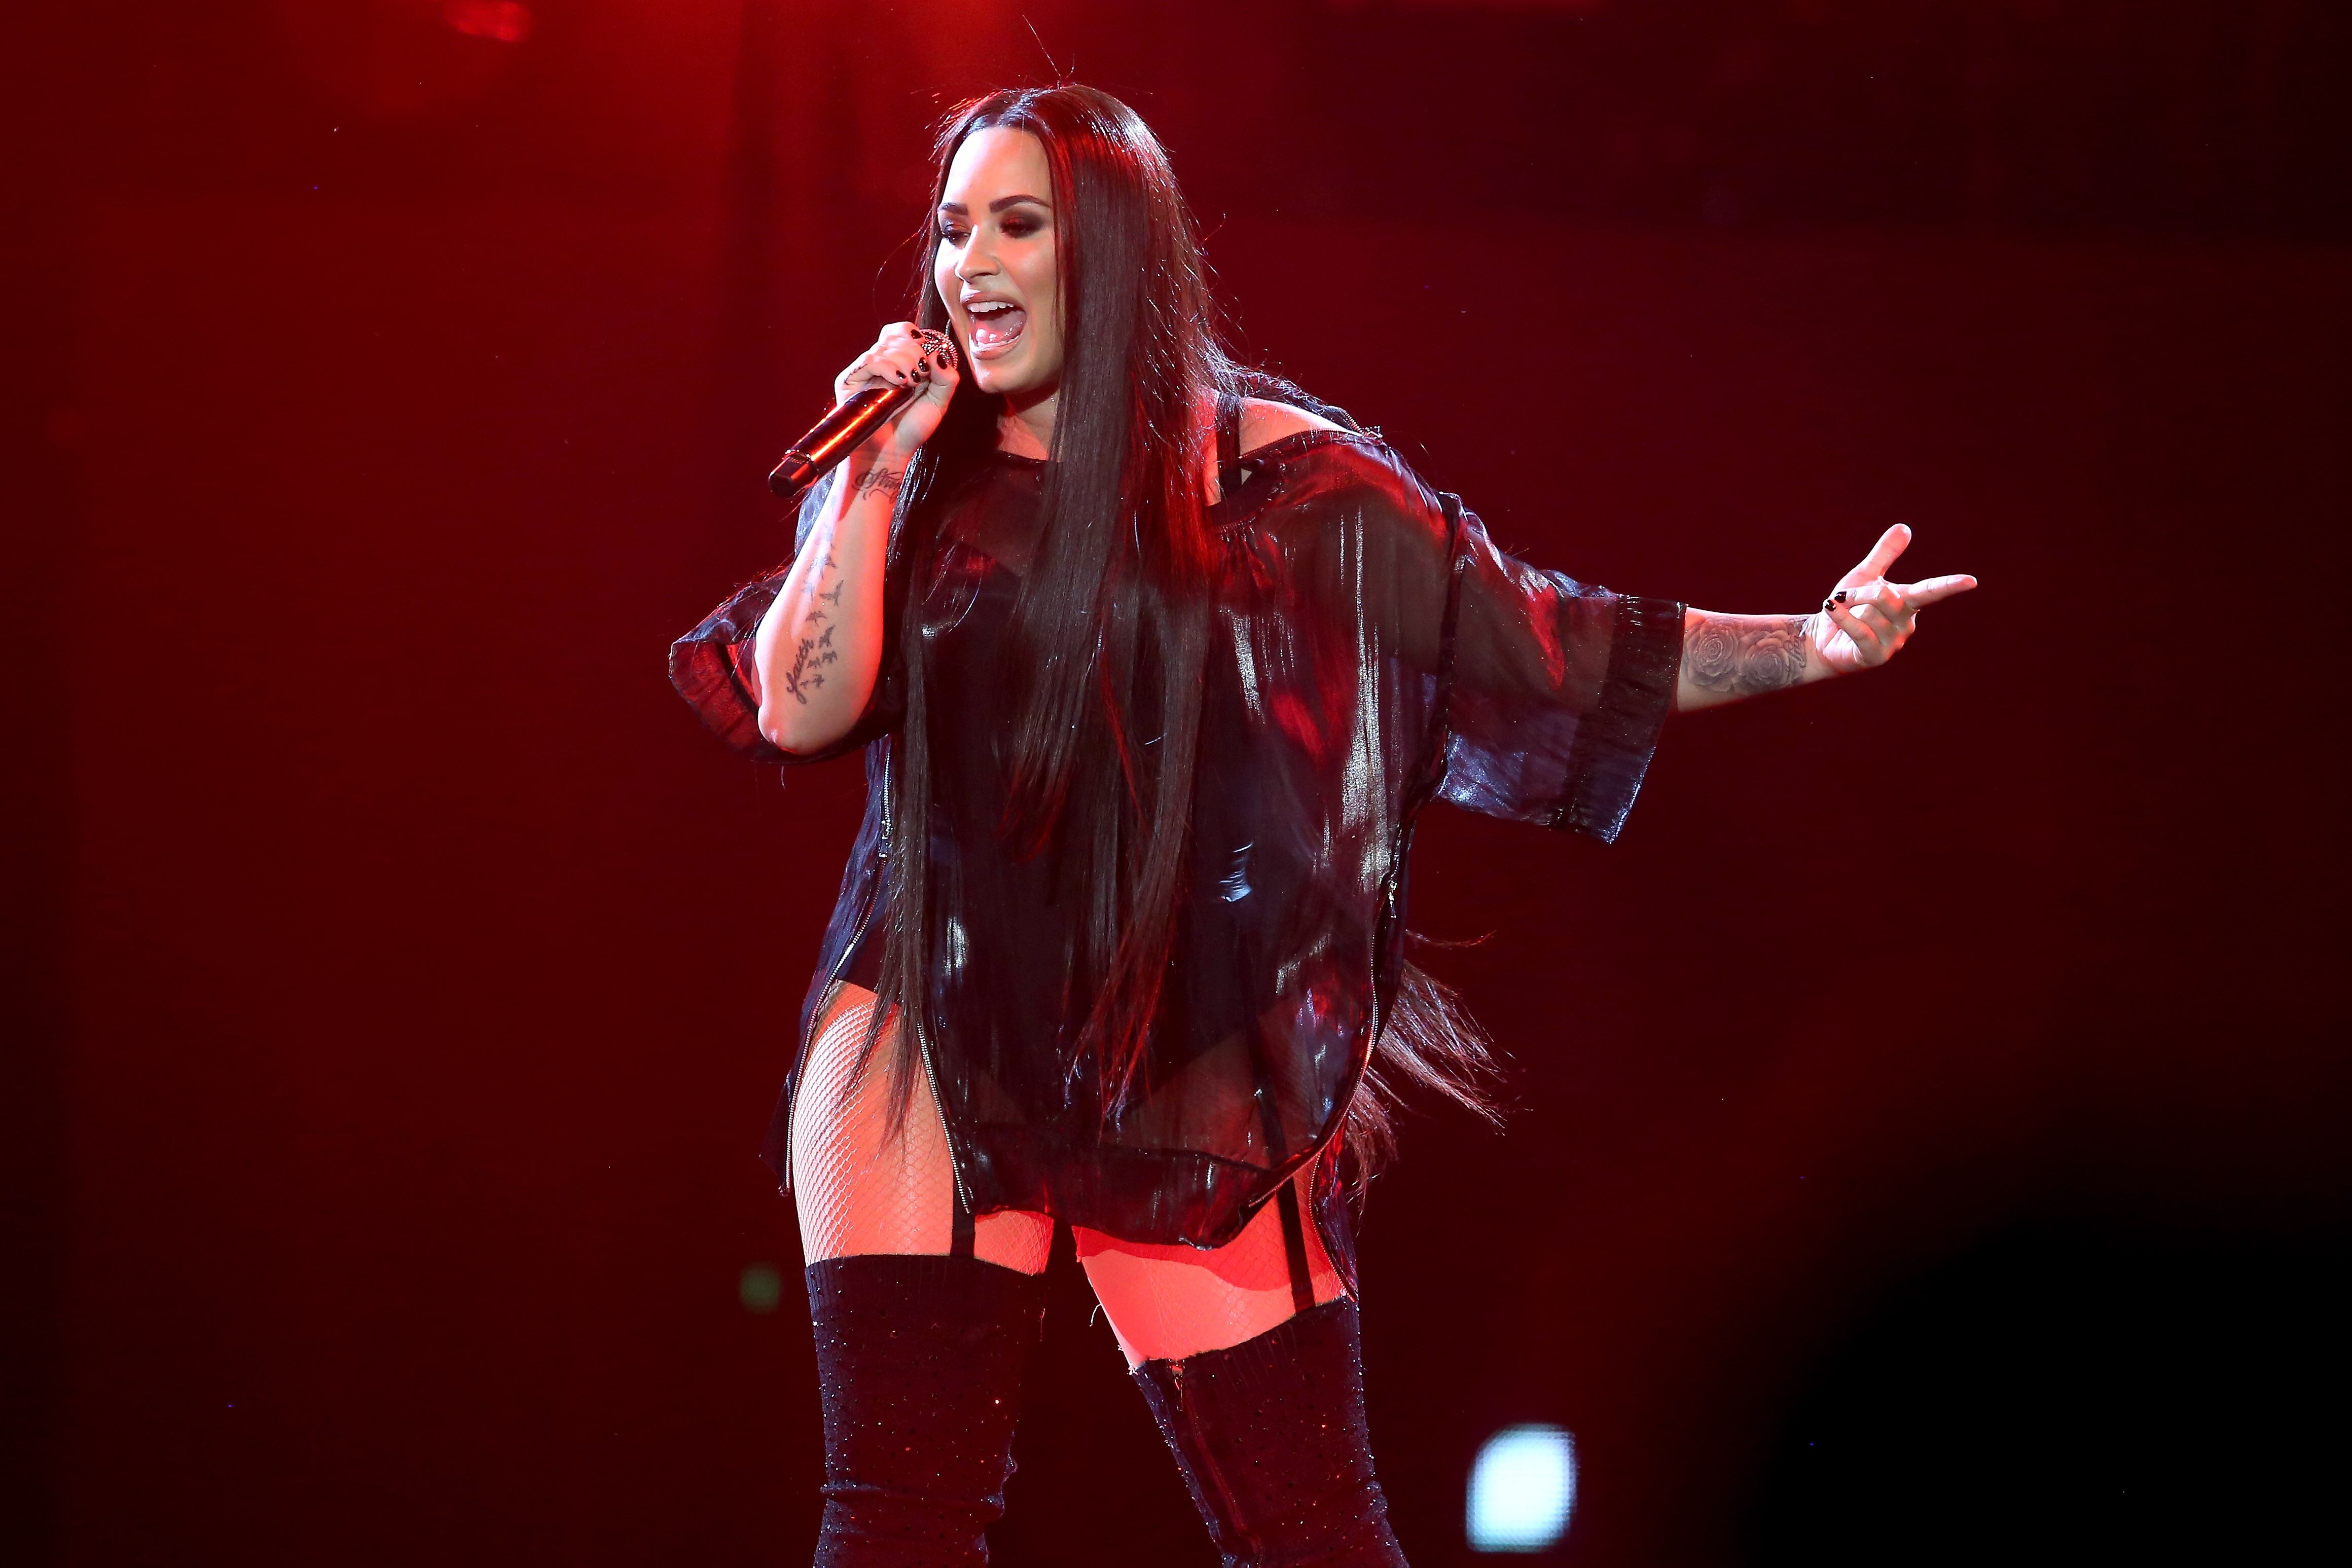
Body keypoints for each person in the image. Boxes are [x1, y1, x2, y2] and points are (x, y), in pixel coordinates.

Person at [670, 84, 1974, 1568]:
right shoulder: (913, 474)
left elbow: (1542, 641)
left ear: (1108, 252)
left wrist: (1815, 642)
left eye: (1016, 225)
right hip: (922, 1010)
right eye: (954, 227)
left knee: (1309, 1534)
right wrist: (878, 464)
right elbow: (795, 707)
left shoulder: (1283, 482)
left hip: (1179, 1038)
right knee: (897, 1519)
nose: (969, 263)